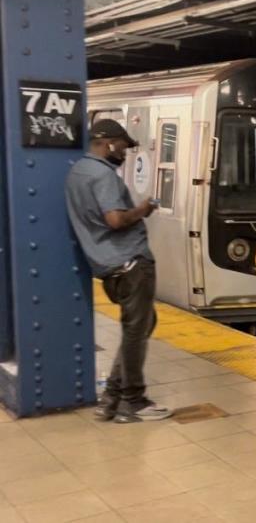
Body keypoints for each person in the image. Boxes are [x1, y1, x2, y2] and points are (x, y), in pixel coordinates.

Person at [64, 119, 172, 423]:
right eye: (122, 147)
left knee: (141, 324)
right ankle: (132, 401)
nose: (123, 153)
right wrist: (144, 209)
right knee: (137, 331)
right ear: (107, 142)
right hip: (130, 262)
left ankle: (112, 397)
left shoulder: (76, 172)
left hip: (108, 264)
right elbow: (114, 219)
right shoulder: (103, 175)